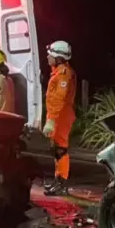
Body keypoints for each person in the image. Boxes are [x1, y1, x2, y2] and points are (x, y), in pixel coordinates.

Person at [42, 40, 76, 196]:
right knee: (56, 150)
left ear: (58, 58)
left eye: (50, 55)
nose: (48, 58)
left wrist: (52, 120)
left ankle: (62, 183)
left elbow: (58, 99)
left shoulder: (63, 74)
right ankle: (58, 180)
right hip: (58, 116)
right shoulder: (59, 71)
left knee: (60, 150)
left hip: (61, 117)